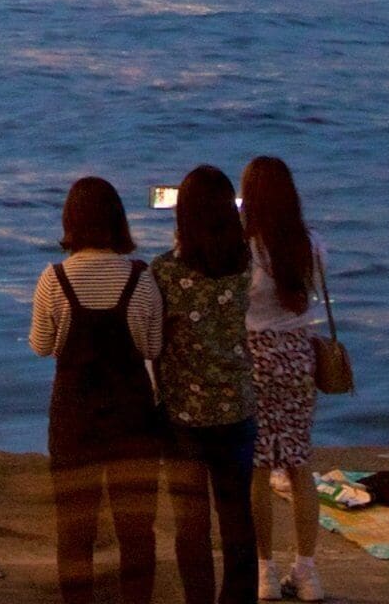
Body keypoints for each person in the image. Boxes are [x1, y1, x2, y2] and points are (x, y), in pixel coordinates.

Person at [31, 176, 168, 604]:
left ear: (70, 221)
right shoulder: (141, 280)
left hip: (74, 419)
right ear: (118, 222)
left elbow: (41, 346)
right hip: (132, 418)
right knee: (136, 532)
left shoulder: (54, 280)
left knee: (75, 531)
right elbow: (152, 346)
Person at [152, 168, 257, 604]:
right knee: (236, 518)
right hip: (238, 410)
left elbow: (154, 343)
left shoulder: (165, 273)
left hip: (184, 419)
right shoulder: (248, 268)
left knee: (191, 526)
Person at [237, 157, 326, 604]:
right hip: (297, 357)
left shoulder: (245, 246)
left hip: (254, 357)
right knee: (298, 465)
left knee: (255, 468)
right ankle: (307, 572)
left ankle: (264, 571)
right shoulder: (309, 243)